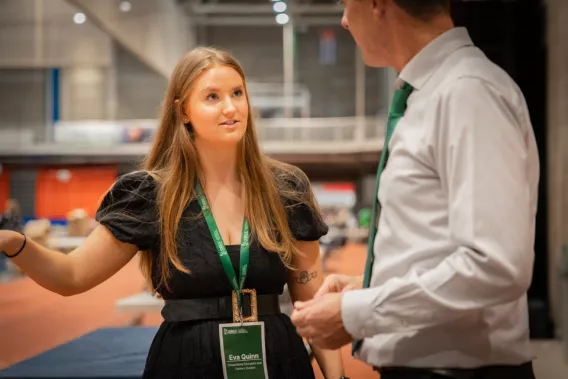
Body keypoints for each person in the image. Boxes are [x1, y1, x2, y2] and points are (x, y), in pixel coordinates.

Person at [0, 47, 346, 379]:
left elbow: (312, 300)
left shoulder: (285, 188)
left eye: (237, 93)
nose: (230, 107)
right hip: (186, 362)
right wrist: (15, 243)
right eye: (212, 97)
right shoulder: (149, 195)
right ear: (183, 112)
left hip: (277, 360)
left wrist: (338, 378)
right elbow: (71, 276)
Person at [291, 1, 539, 378]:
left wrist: (356, 312)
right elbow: (435, 247)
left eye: (346, 4)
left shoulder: (467, 92)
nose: (343, 21)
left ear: (377, 4)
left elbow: (495, 265)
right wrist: (368, 284)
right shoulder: (429, 93)